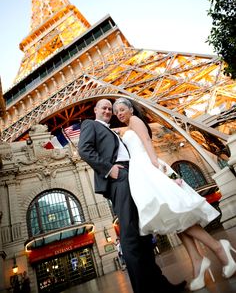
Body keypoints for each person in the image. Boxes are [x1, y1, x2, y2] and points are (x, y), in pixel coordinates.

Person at [113, 97, 236, 291]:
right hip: (141, 170)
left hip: (148, 167)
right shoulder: (127, 126)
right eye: (116, 112)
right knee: (174, 218)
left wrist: (156, 165)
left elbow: (146, 141)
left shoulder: (135, 121)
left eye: (121, 109)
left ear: (130, 109)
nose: (119, 113)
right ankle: (197, 260)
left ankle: (218, 248)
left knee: (176, 213)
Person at [78, 99, 187, 293]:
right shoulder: (90, 125)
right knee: (129, 235)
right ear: (95, 110)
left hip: (134, 174)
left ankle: (160, 286)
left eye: (110, 109)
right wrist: (109, 169)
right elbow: (84, 150)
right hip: (119, 177)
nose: (107, 110)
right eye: (103, 107)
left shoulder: (114, 131)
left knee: (142, 233)